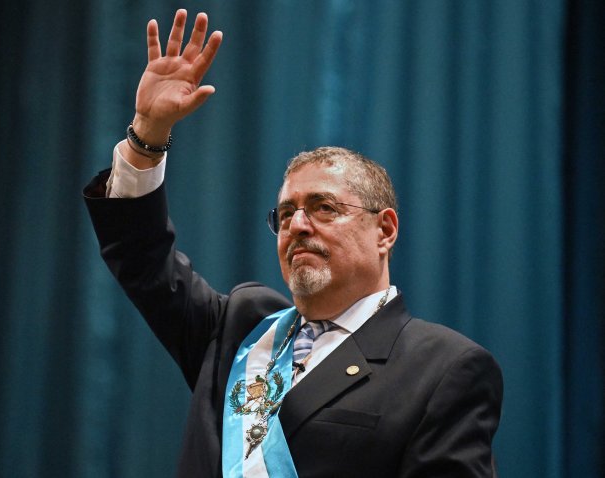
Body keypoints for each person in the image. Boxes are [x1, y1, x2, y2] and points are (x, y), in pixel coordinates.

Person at [83, 9, 502, 478]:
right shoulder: (239, 328)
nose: (297, 225)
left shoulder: (443, 367)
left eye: (324, 208)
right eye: (285, 214)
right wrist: (147, 135)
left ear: (384, 230)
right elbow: (142, 257)